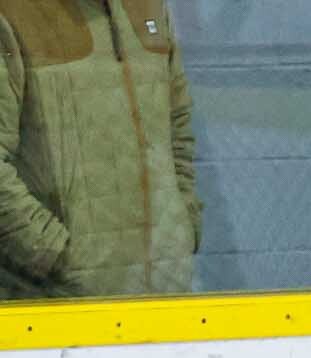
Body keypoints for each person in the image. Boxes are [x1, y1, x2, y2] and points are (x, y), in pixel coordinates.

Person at [0, 0, 201, 300]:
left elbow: (178, 126)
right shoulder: (13, 13)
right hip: (63, 304)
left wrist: (183, 227)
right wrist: (55, 255)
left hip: (167, 292)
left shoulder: (149, 7)